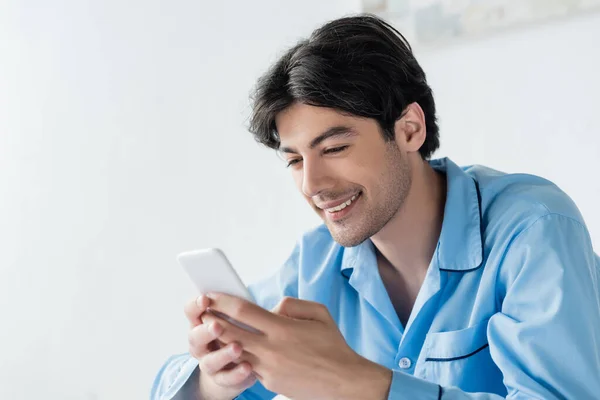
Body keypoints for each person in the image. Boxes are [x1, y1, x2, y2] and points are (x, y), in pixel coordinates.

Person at [151, 14, 600, 400]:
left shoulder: (533, 230)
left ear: (409, 130)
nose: (312, 184)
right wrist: (217, 379)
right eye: (294, 160)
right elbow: (168, 383)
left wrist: (353, 381)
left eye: (335, 148)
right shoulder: (314, 264)